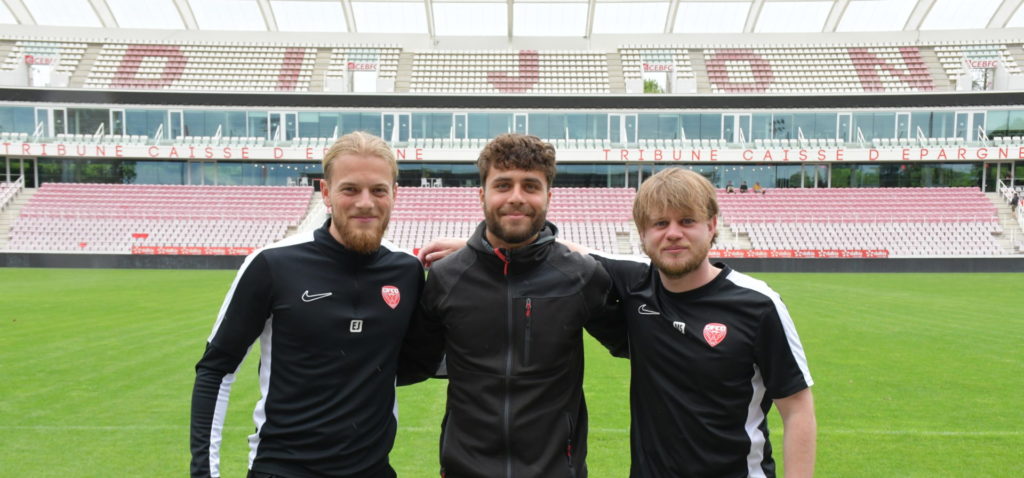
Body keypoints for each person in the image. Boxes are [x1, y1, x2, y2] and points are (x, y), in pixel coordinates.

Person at [421, 167, 816, 478]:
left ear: (712, 225)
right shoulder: (634, 282)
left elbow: (797, 410)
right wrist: (478, 250)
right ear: (643, 234)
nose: (673, 234)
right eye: (660, 224)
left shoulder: (758, 303)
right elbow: (558, 252)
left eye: (687, 221)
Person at [190, 132, 425, 478]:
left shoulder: (407, 271)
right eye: (350, 189)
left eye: (378, 190)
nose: (365, 202)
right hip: (282, 469)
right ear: (326, 192)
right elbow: (216, 369)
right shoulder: (272, 264)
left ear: (394, 193)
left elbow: (420, 360)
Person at [412, 133, 627, 478]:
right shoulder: (447, 277)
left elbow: (640, 342)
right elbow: (411, 362)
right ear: (482, 195)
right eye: (503, 185)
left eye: (530, 185)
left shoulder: (580, 276)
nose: (516, 197)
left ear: (548, 196)